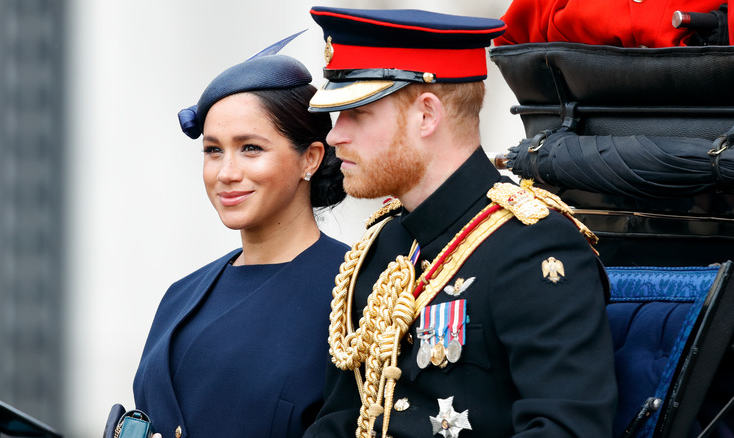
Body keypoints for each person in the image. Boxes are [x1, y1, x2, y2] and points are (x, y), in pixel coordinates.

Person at [301, 7, 618, 438]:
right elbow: (340, 421)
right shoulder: (381, 246)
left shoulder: (535, 248)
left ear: (426, 115)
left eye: (357, 113)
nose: (335, 135)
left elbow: (565, 429)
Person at [130, 42, 349, 438]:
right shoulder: (181, 295)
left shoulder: (351, 290)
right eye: (213, 151)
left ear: (311, 158)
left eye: (250, 148)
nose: (226, 172)